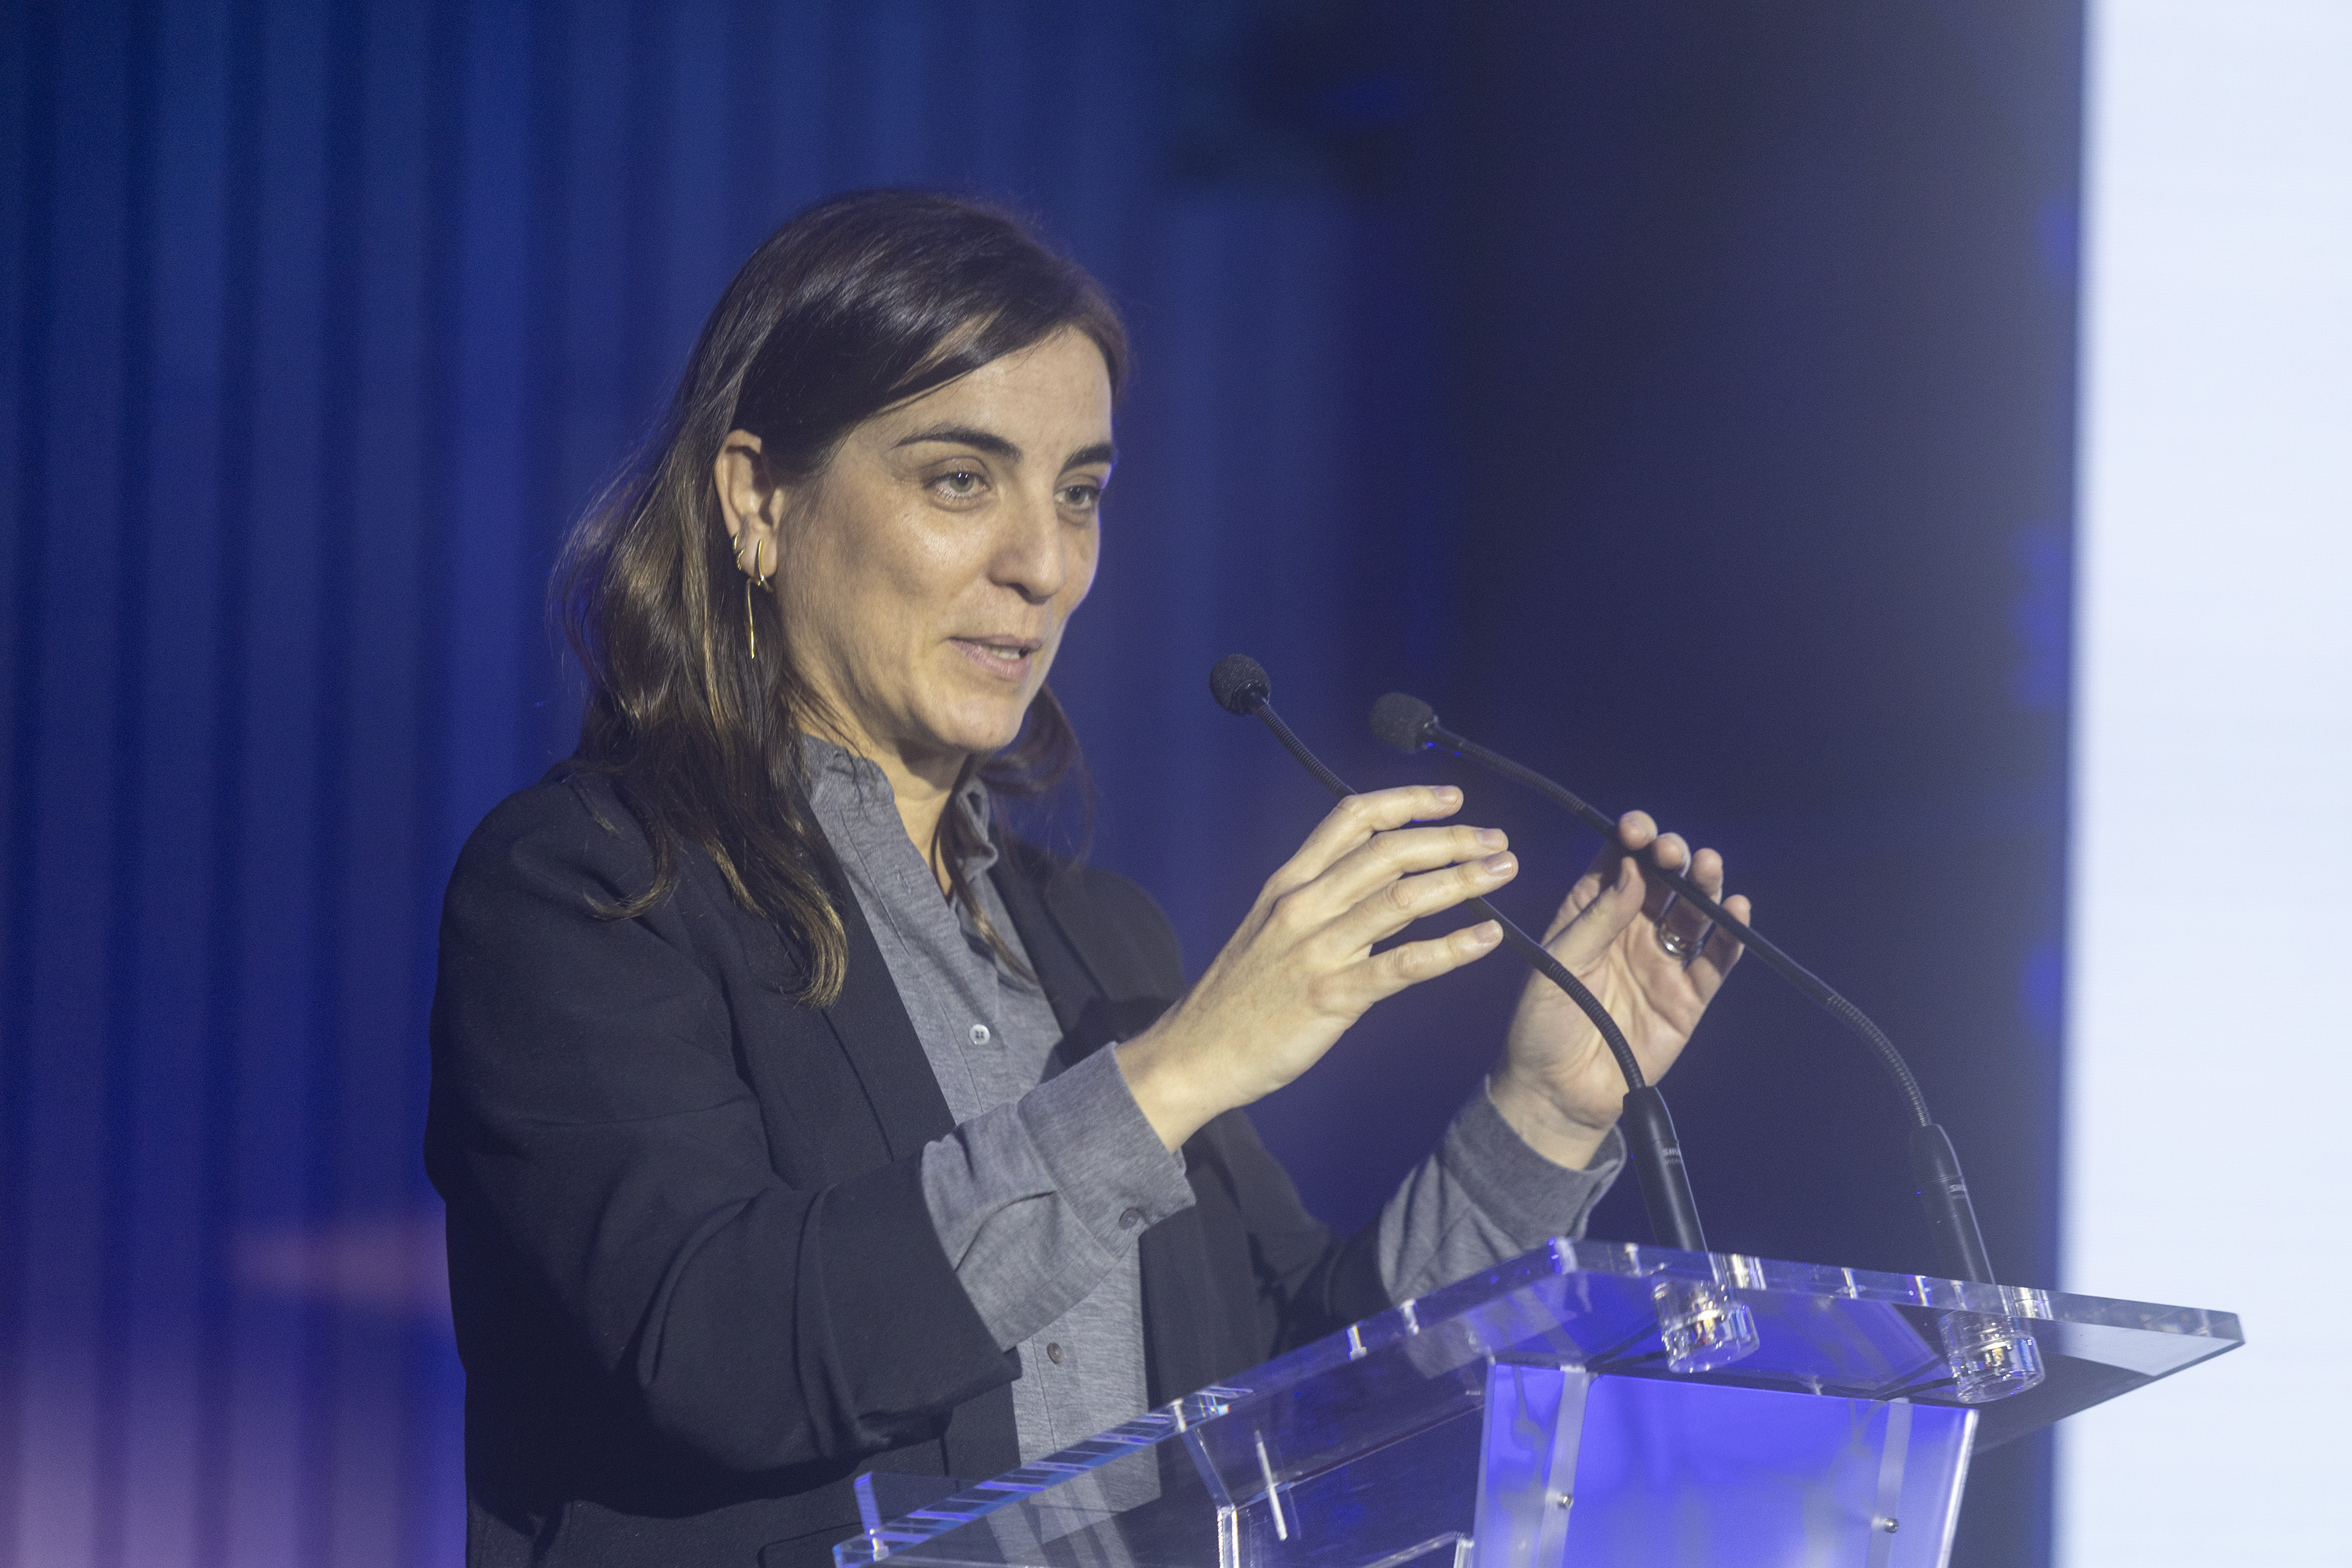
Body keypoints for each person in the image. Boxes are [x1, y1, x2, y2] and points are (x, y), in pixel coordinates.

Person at [424, 190, 1749, 1568]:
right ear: (756, 498)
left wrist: (1537, 1117)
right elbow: (719, 1348)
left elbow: (1306, 1407)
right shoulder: (585, 887)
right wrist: (1177, 1068)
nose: (1043, 565)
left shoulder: (1100, 942)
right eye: (959, 479)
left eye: (1079, 494)